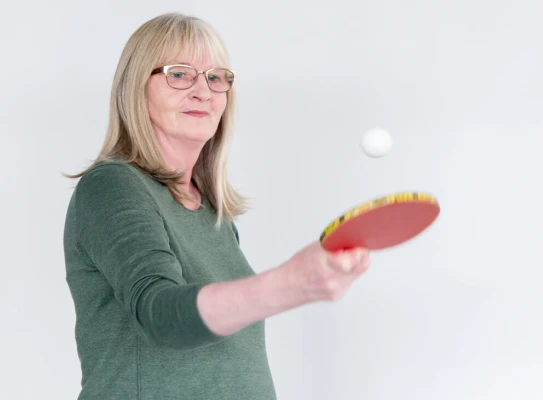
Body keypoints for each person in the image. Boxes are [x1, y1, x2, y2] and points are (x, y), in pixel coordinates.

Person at [62, 12, 370, 400]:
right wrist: (290, 283)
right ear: (136, 87)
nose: (203, 92)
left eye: (215, 77)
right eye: (179, 74)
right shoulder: (112, 185)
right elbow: (161, 316)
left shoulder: (212, 212)